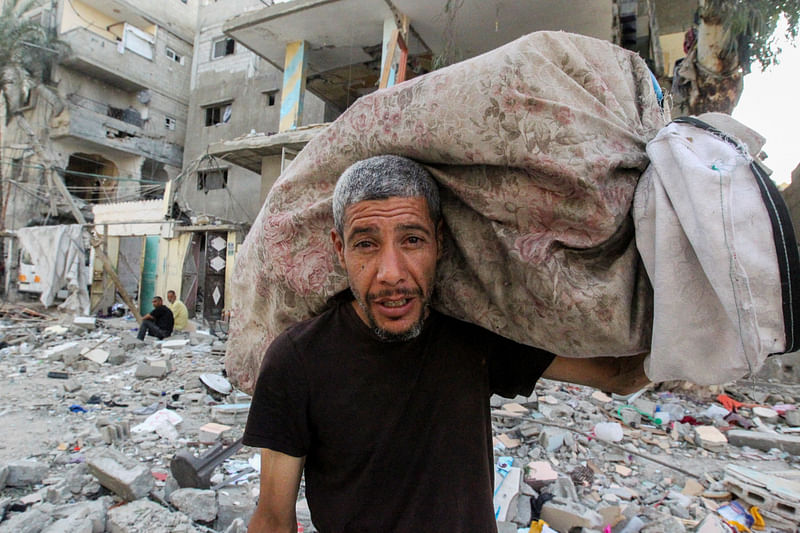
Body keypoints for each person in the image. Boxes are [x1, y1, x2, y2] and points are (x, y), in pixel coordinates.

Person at [243, 155, 649, 533]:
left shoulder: (475, 334)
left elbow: (617, 374)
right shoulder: (297, 360)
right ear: (339, 248)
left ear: (440, 241)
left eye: (412, 240)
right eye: (366, 243)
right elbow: (273, 518)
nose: (390, 272)